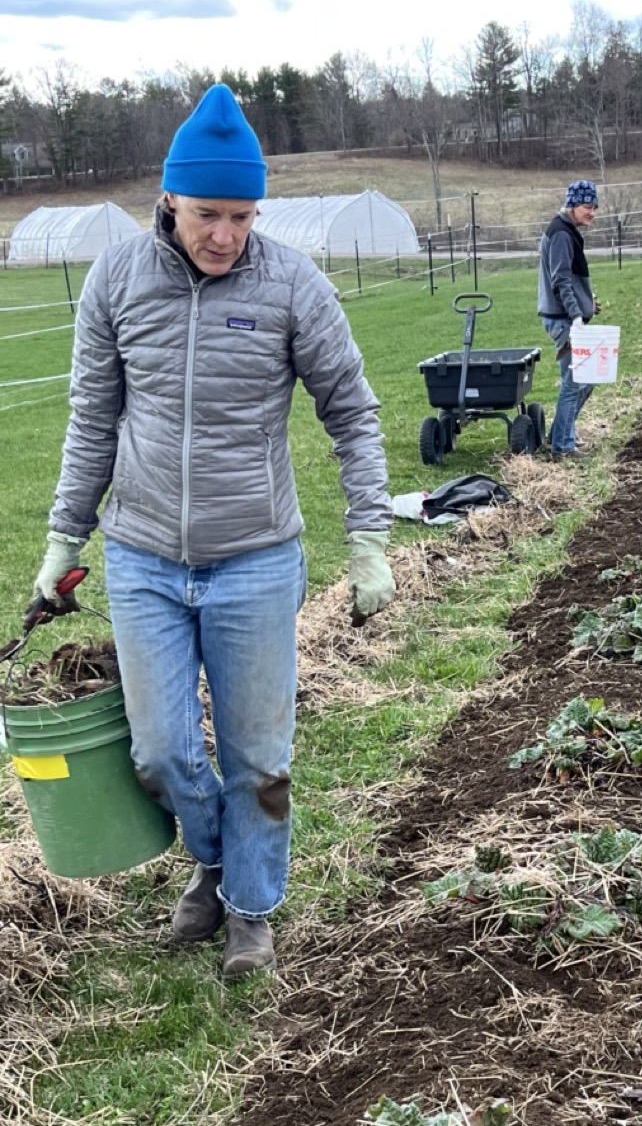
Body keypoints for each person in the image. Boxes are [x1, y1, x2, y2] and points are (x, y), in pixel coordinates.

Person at [31, 84, 395, 979]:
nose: (225, 235)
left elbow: (353, 413)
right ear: (169, 199)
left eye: (241, 216)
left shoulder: (293, 286)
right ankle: (216, 862)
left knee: (257, 758)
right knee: (159, 751)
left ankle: (251, 913)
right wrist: (64, 540)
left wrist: (370, 539)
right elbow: (92, 420)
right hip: (143, 556)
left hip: (255, 560)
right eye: (206, 214)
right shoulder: (116, 280)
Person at [537, 180, 601, 460]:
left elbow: (569, 280)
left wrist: (587, 303)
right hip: (564, 320)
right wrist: (576, 315)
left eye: (595, 207)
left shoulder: (566, 230)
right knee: (574, 381)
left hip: (568, 316)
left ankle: (559, 435)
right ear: (573, 205)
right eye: (587, 206)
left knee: (588, 378)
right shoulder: (561, 234)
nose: (592, 212)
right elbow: (560, 280)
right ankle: (563, 447)